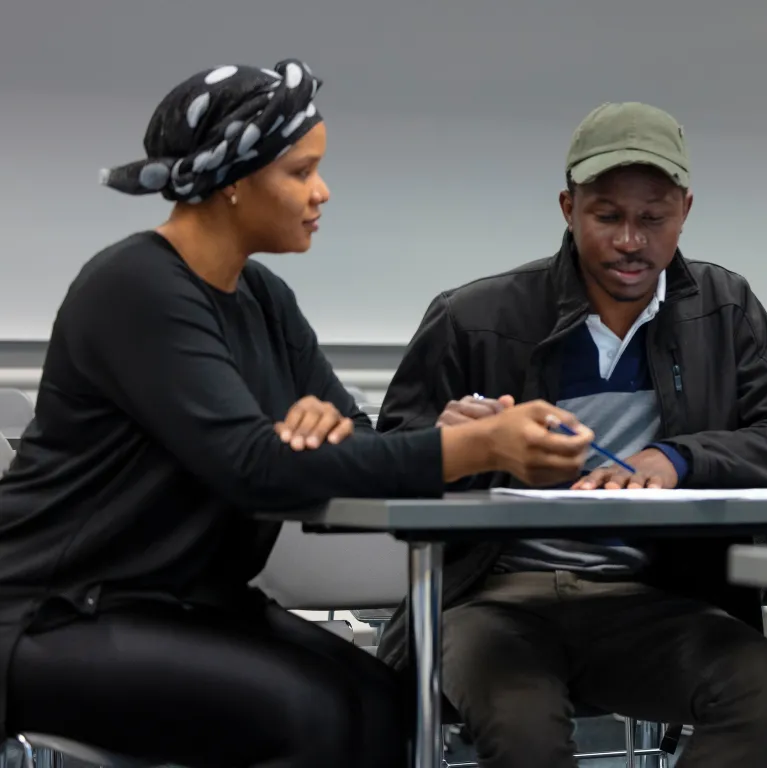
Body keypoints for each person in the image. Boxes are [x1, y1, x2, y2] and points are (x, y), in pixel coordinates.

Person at [0, 60, 595, 768]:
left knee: (383, 703)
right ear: (231, 182)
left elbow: (354, 445)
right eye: (300, 171)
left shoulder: (261, 296)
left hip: (192, 605)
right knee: (307, 718)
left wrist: (444, 435)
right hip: (58, 614)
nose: (322, 192)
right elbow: (254, 469)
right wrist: (476, 451)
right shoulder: (137, 287)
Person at [374, 101, 767, 768]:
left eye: (653, 219)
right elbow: (386, 459)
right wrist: (448, 447)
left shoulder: (721, 307)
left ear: (686, 210)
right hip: (492, 601)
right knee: (524, 729)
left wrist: (679, 458)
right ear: (568, 208)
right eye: (608, 216)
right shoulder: (475, 315)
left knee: (760, 682)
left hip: (648, 602)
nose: (630, 240)